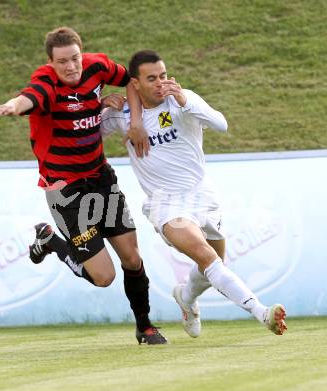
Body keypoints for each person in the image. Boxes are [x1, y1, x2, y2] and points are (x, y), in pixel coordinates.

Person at [0, 28, 167, 345]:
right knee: (104, 277)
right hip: (66, 192)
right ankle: (52, 243)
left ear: (81, 53)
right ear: (50, 62)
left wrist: (135, 121)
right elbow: (31, 97)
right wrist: (14, 106)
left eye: (75, 59)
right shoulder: (46, 81)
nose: (71, 67)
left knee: (132, 258)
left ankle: (145, 326)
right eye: (62, 62)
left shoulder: (97, 66)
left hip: (100, 179)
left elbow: (132, 80)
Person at [100, 49, 287, 337]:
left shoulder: (181, 100)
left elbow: (221, 124)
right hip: (165, 203)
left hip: (202, 194)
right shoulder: (123, 115)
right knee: (206, 255)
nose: (160, 82)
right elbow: (85, 130)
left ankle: (186, 298)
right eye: (151, 78)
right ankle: (262, 312)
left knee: (214, 263)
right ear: (135, 84)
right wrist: (98, 104)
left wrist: (186, 102)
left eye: (163, 75)